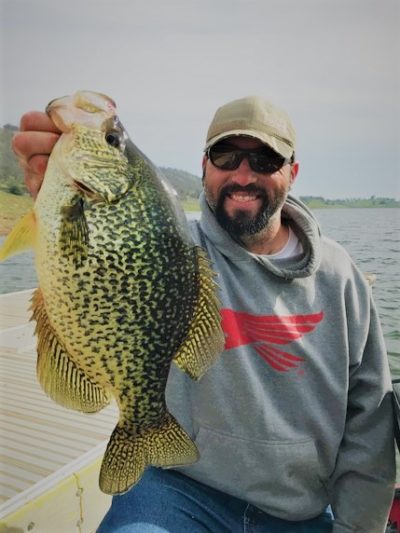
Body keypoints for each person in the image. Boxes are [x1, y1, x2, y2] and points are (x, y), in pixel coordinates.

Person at [13, 96, 395, 532]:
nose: (243, 174)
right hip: (178, 489)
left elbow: (371, 424)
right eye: (225, 156)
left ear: (293, 171)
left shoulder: (340, 276)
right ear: (204, 167)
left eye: (265, 158)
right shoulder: (174, 249)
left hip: (300, 511)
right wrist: (52, 191)